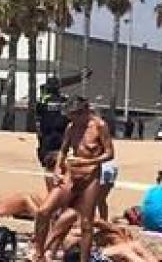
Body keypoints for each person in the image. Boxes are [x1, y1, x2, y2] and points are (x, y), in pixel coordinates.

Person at [31, 96, 111, 262]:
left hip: (90, 176)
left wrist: (89, 161)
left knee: (86, 223)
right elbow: (63, 149)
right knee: (43, 210)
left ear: (85, 112)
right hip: (72, 174)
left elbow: (109, 153)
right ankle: (39, 253)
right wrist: (57, 169)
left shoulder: (99, 126)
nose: (72, 119)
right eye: (70, 116)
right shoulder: (71, 128)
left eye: (75, 115)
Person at [33, 77, 71, 172]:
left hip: (54, 132)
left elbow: (38, 117)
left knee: (55, 155)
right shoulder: (62, 99)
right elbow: (38, 116)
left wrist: (39, 132)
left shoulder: (45, 100)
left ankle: (55, 171)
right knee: (53, 156)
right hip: (53, 132)